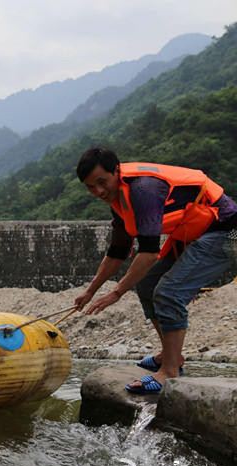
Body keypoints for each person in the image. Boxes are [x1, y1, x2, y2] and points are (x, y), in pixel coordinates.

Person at [73, 148, 237, 394]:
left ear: (117, 171)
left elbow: (148, 253)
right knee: (148, 284)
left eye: (102, 182)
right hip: (196, 232)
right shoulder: (119, 200)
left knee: (168, 292)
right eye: (90, 187)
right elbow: (118, 251)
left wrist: (116, 294)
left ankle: (169, 371)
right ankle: (173, 357)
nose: (98, 191)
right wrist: (90, 292)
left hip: (227, 232)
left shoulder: (143, 191)